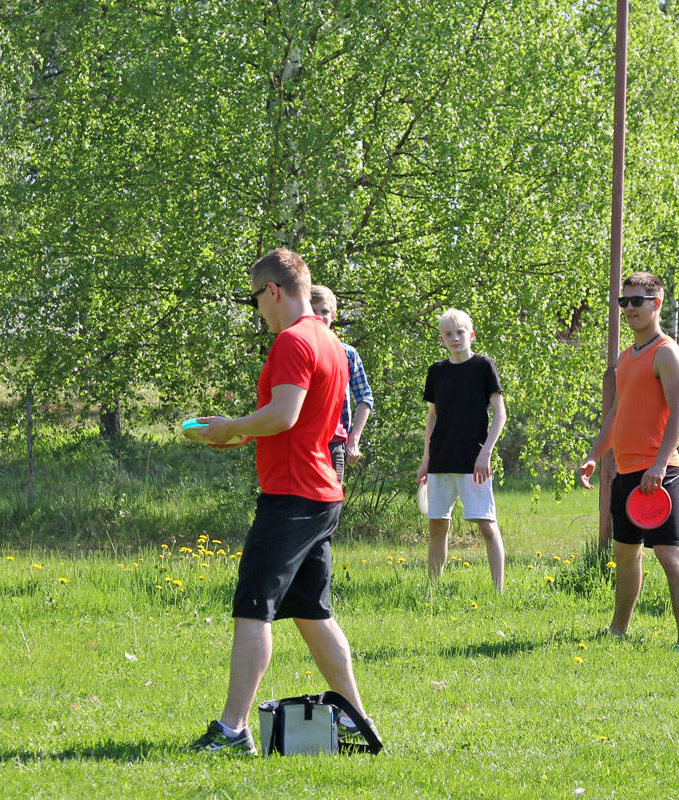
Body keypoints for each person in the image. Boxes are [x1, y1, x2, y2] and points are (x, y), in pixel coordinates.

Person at [187, 247, 375, 754]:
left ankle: (231, 731)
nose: (258, 311)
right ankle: (356, 720)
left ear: (274, 290)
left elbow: (285, 414)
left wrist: (231, 429)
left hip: (291, 495)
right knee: (314, 612)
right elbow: (300, 417)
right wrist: (246, 434)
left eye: (256, 299)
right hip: (320, 491)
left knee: (253, 609)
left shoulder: (294, 340)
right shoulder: (331, 341)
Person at [577, 272, 679, 653]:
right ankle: (617, 631)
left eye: (637, 301)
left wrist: (659, 465)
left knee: (669, 555)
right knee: (625, 553)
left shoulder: (667, 352)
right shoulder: (627, 357)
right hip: (626, 472)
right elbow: (615, 414)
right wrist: (595, 455)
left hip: (659, 473)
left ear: (656, 303)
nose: (629, 308)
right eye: (623, 302)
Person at [417, 308, 507, 592]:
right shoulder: (436, 371)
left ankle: (499, 590)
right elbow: (433, 416)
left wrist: (486, 453)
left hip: (474, 463)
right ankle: (433, 590)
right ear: (442, 339)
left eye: (459, 332)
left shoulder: (483, 366)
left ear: (471, 335)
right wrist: (426, 459)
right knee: (437, 528)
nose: (455, 338)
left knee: (486, 525)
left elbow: (500, 414)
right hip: (441, 462)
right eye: (448, 334)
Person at [311, 285, 375, 483]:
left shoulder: (347, 354)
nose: (320, 317)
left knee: (330, 508)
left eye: (324, 311)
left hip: (334, 443)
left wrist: (353, 440)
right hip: (302, 445)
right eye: (314, 312)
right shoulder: (297, 351)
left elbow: (364, 397)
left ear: (334, 315)